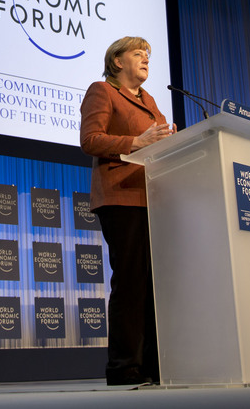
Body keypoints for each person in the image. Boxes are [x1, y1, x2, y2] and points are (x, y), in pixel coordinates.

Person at [79, 36, 175, 386]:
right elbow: (90, 139)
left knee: (155, 286)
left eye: (148, 54)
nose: (146, 58)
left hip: (154, 199)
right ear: (118, 61)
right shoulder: (102, 91)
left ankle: (154, 364)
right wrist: (136, 142)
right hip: (121, 197)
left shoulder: (149, 101)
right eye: (138, 53)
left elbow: (160, 142)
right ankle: (124, 367)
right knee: (131, 283)